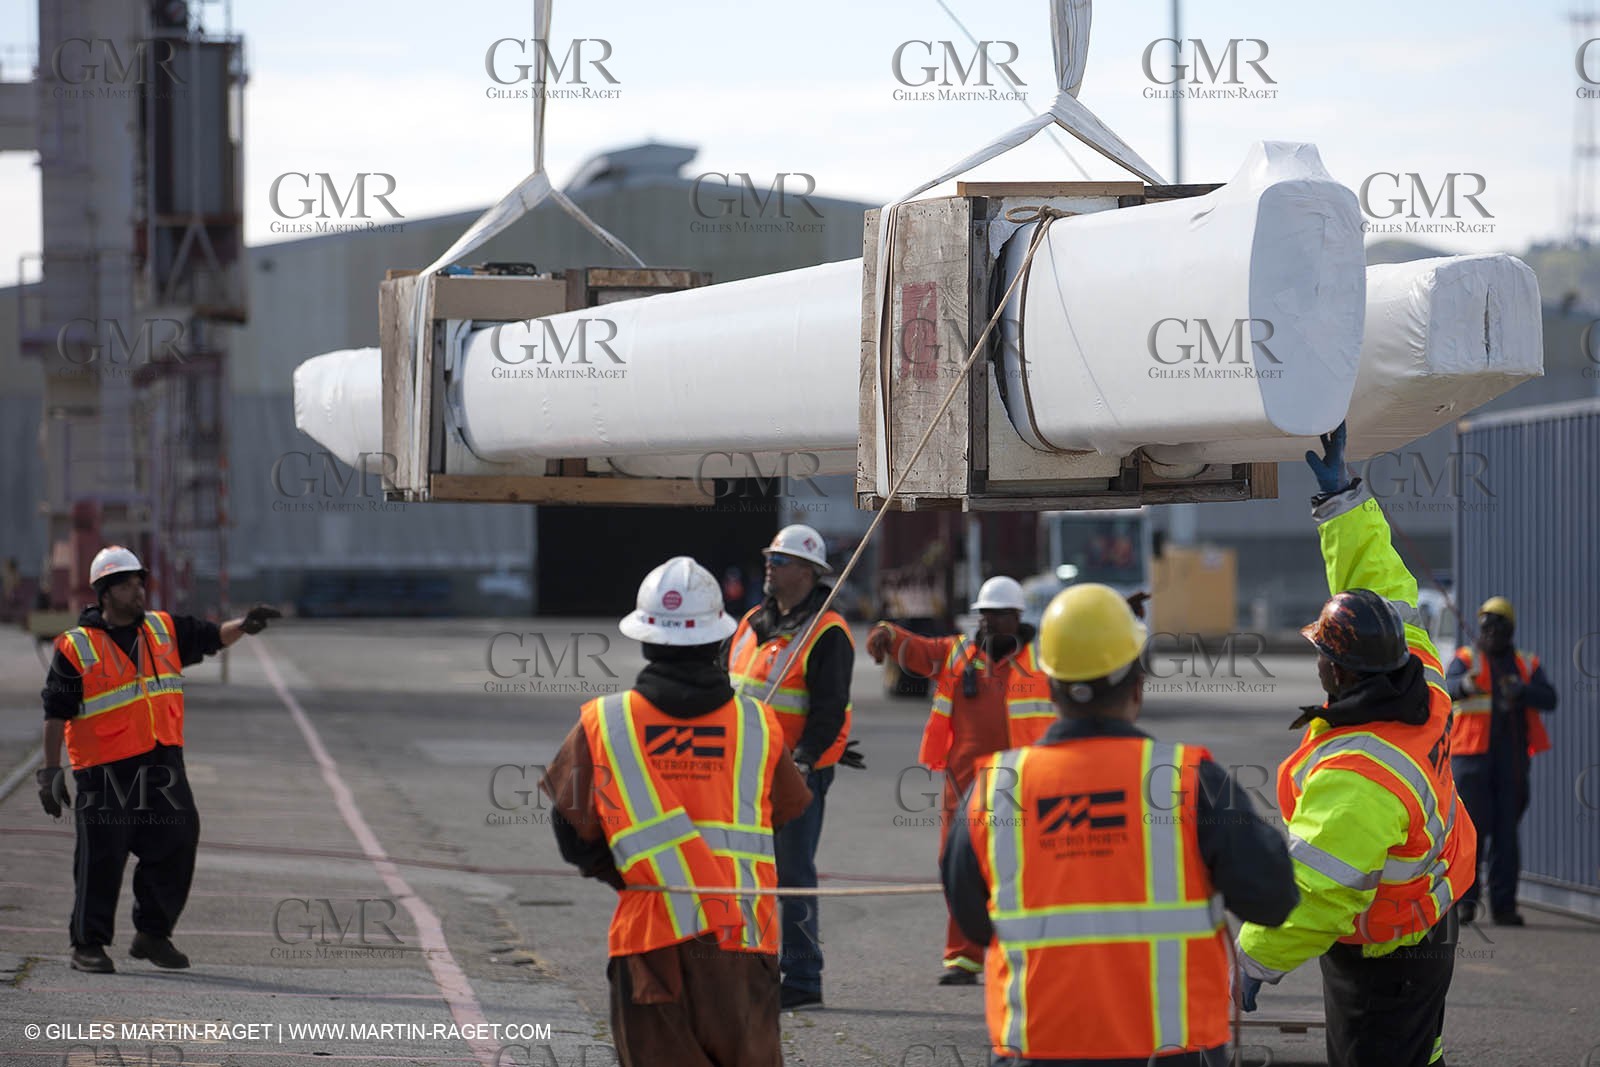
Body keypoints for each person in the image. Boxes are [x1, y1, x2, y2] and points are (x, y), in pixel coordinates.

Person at [941, 582, 1297, 1065]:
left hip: (1038, 1047)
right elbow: (1274, 899)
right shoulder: (1191, 782)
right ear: (1138, 683)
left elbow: (974, 922)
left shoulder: (994, 789)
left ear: (1048, 684)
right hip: (1171, 1050)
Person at [1235, 425, 1478, 1067]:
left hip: (1385, 950)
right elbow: (1383, 590)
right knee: (1419, 1050)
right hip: (1430, 915)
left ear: (1336, 673)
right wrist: (1341, 499)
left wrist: (1253, 960)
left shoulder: (1359, 773)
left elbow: (1316, 889)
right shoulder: (1421, 675)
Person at [540, 556, 811, 1066]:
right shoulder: (758, 723)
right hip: (741, 940)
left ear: (644, 638)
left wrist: (626, 874)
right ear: (718, 641)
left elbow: (570, 829)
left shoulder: (605, 721)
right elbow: (784, 812)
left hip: (649, 939)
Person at [36, 545, 281, 973]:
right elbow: (56, 711)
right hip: (104, 771)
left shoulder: (163, 629)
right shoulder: (77, 646)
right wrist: (50, 772)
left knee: (178, 841)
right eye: (128, 584)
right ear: (105, 593)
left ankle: (152, 933)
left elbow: (209, 637)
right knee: (101, 858)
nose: (139, 591)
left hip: (162, 764)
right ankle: (87, 944)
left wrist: (244, 624)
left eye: (139, 582)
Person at [866, 575, 1056, 984]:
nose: (989, 624)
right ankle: (963, 958)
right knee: (958, 869)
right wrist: (887, 632)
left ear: (1017, 617)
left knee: (1020, 871)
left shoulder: (1043, 659)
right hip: (963, 787)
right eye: (984, 616)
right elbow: (918, 650)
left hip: (1022, 785)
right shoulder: (958, 654)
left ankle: (1022, 954)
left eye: (998, 616)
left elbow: (1085, 650)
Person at [727, 523, 861, 1011]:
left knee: (792, 874)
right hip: (744, 771)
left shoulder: (828, 631)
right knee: (745, 872)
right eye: (769, 558)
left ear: (808, 572)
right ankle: (751, 966)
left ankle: (802, 978)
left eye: (779, 560)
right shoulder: (752, 622)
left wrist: (805, 760)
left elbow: (829, 708)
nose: (769, 566)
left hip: (794, 775)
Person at [1446, 596, 1558, 926]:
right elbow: (1443, 690)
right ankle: (1466, 904)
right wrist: (1464, 685)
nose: (1491, 631)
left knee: (1507, 836)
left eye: (1498, 625)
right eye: (1486, 625)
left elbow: (1550, 698)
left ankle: (1504, 906)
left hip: (1511, 762)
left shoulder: (1526, 663)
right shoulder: (1466, 659)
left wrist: (1522, 690)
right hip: (1471, 761)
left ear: (1509, 629)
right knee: (1470, 835)